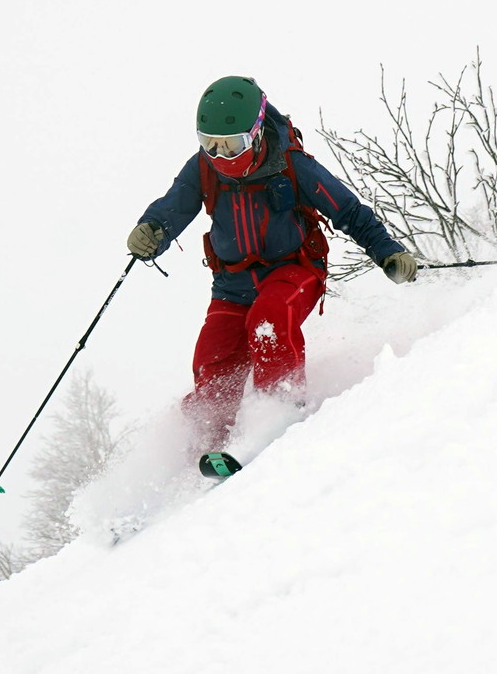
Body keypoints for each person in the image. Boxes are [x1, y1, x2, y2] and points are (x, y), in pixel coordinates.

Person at [126, 75, 417, 453]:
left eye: (232, 146)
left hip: (293, 270)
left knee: (270, 319)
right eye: (209, 144)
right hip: (232, 284)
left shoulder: (292, 165)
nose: (220, 156)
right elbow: (173, 207)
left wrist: (387, 251)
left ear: (258, 132)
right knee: (211, 356)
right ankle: (209, 449)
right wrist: (152, 231)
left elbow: (347, 210)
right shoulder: (203, 168)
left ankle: (280, 414)